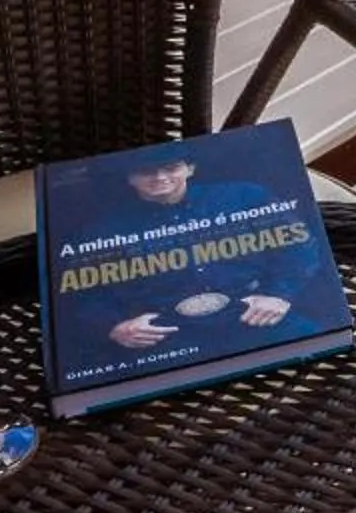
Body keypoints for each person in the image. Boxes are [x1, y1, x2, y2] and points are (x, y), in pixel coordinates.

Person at [51, 150, 313, 365]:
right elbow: (82, 289)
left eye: (170, 167)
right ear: (130, 178)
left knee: (316, 349)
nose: (160, 177)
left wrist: (280, 294)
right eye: (146, 171)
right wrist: (113, 326)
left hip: (255, 315)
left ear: (190, 168)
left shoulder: (245, 196)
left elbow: (299, 245)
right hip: (166, 336)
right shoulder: (103, 231)